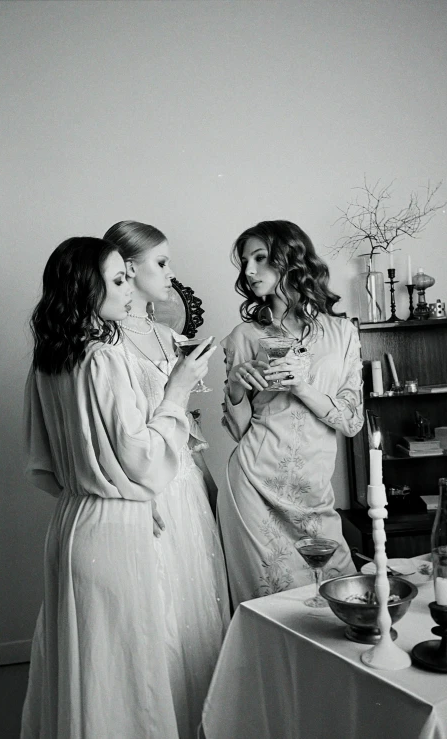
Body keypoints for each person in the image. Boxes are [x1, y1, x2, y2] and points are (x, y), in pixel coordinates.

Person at [21, 235, 227, 739]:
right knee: (130, 673)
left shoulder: (47, 361)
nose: (128, 290)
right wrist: (178, 389)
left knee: (88, 666)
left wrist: (116, 493)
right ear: (85, 290)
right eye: (116, 281)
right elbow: (141, 458)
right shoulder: (103, 357)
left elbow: (42, 465)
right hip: (116, 531)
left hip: (71, 523)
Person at [102, 220, 230, 735]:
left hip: (184, 486)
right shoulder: (105, 342)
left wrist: (202, 471)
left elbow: (183, 423)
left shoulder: (165, 334)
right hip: (144, 488)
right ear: (128, 269)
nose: (171, 273)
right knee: (156, 612)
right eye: (162, 263)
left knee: (196, 604)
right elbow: (118, 433)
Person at [219, 220, 363, 608]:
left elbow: (351, 421)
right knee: (274, 609)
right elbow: (240, 430)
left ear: (292, 259)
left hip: (314, 492)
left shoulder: (342, 334)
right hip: (253, 485)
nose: (249, 272)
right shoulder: (243, 336)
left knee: (343, 600)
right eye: (245, 261)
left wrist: (302, 386)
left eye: (260, 258)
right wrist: (235, 388)